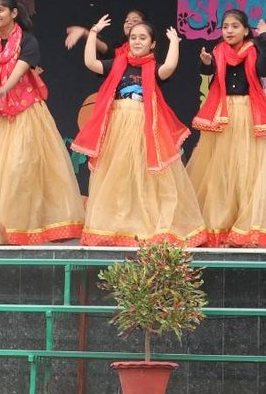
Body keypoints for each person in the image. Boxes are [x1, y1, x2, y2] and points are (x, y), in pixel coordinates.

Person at [0, 0, 84, 244]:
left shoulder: (27, 40)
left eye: (0, 10)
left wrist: (2, 90)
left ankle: (26, 227)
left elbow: (18, 72)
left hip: (24, 111)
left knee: (20, 169)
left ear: (13, 13)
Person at [73, 16, 208, 247]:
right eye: (133, 37)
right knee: (118, 176)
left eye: (142, 38)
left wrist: (174, 43)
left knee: (146, 178)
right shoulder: (118, 64)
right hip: (118, 127)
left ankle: (147, 226)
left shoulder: (153, 68)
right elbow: (91, 63)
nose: (137, 41)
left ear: (152, 44)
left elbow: (169, 68)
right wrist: (93, 33)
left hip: (145, 127)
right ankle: (117, 228)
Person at [189, 7, 266, 247]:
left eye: (235, 26)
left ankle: (246, 231)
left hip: (247, 114)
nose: (229, 31)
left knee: (246, 172)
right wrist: (205, 64)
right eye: (225, 27)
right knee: (221, 173)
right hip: (223, 115)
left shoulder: (253, 49)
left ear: (245, 30)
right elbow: (209, 73)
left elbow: (263, 70)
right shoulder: (218, 51)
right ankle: (221, 229)